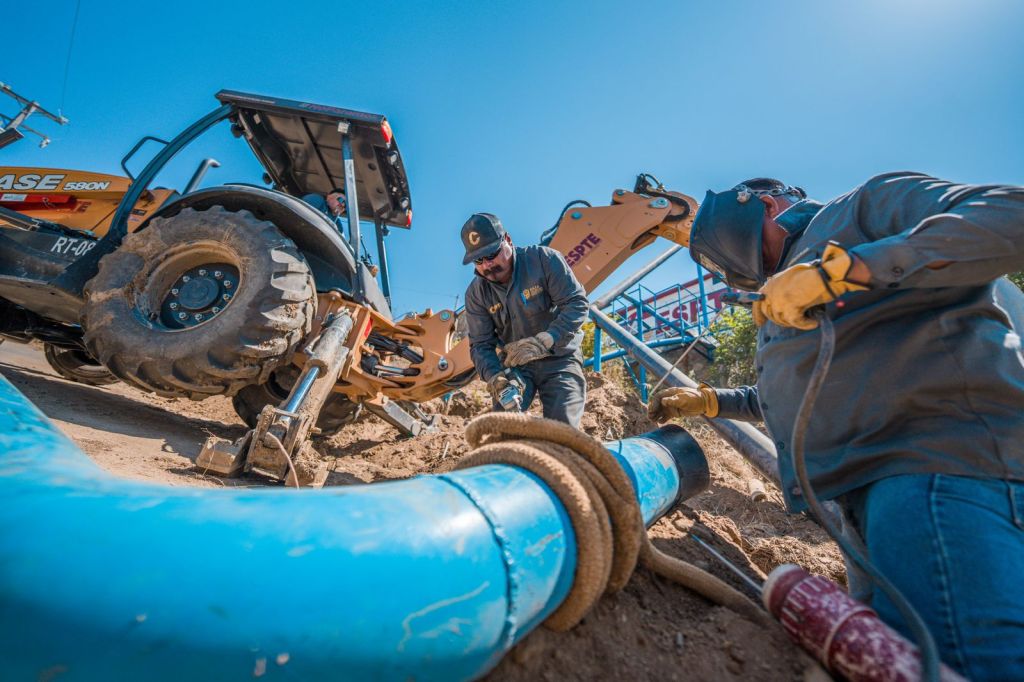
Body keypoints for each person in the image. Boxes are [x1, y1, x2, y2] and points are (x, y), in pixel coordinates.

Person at [650, 173, 1024, 680]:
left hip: (937, 467)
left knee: (968, 656)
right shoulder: (787, 284)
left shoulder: (860, 210)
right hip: (862, 500)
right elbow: (801, 394)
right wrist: (711, 401)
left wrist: (849, 270)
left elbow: (1010, 212)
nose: (743, 278)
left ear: (765, 206)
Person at [462, 212, 589, 427]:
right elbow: (481, 345)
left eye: (491, 254)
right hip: (516, 368)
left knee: (562, 430)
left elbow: (576, 303)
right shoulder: (476, 294)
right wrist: (496, 378)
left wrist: (549, 338)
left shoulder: (543, 259)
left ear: (508, 240)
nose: (487, 265)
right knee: (501, 432)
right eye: (478, 260)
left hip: (560, 359)